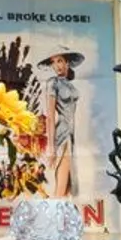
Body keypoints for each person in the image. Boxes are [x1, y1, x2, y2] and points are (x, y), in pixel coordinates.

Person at [39, 47, 84, 198]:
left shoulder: (70, 85)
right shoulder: (53, 83)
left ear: (67, 62)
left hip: (72, 135)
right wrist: (51, 147)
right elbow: (50, 116)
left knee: (68, 189)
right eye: (53, 62)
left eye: (60, 61)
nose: (56, 65)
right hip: (62, 135)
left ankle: (63, 218)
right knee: (61, 188)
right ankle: (55, 218)